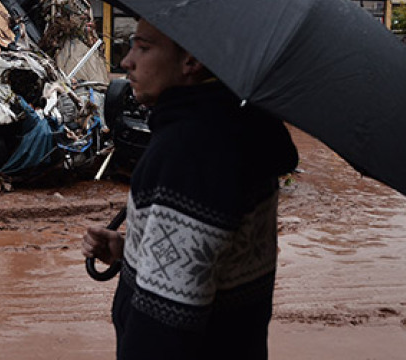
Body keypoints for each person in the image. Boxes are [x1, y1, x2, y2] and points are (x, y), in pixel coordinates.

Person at [83, 18, 299, 359]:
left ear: (191, 61)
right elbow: (205, 261)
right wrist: (131, 250)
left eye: (143, 47)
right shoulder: (241, 131)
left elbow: (164, 323)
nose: (127, 61)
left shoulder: (190, 151)